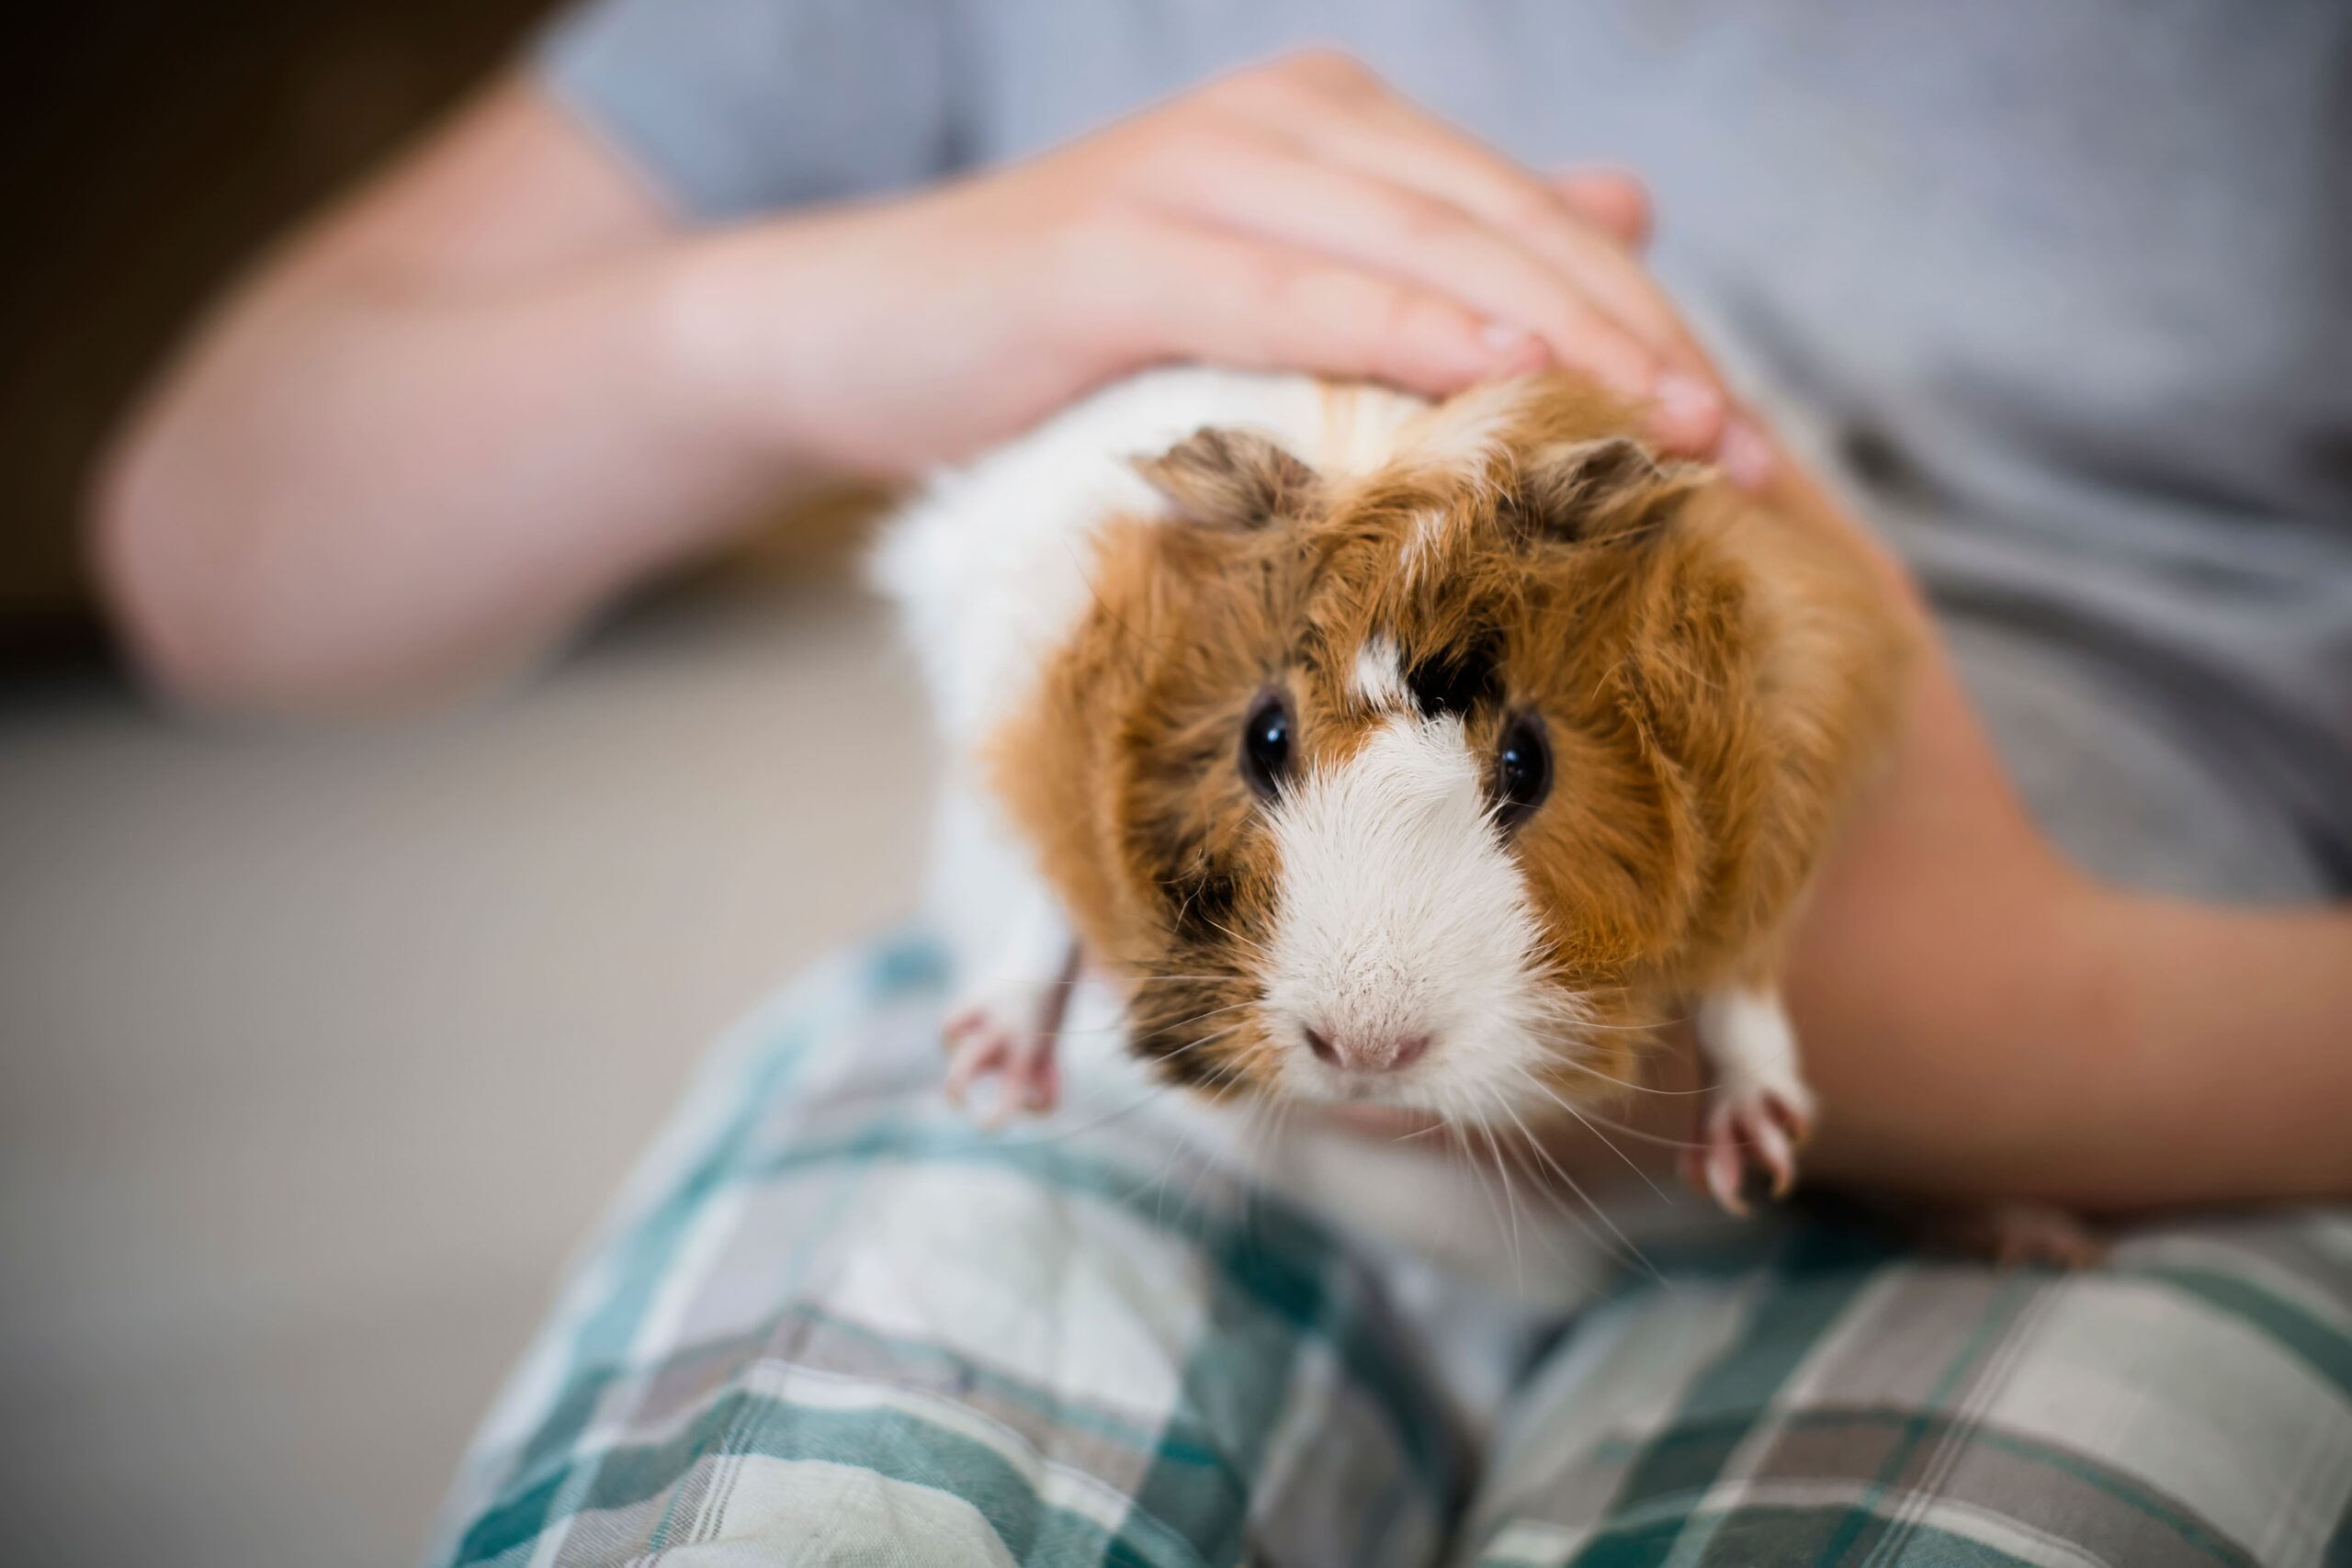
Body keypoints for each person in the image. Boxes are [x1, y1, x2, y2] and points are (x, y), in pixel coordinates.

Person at [92, 5, 2352, 1564]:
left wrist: (2058, 1033)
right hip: (1123, 1069)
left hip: (2136, 1120)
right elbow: (206, 538)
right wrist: (781, 328)